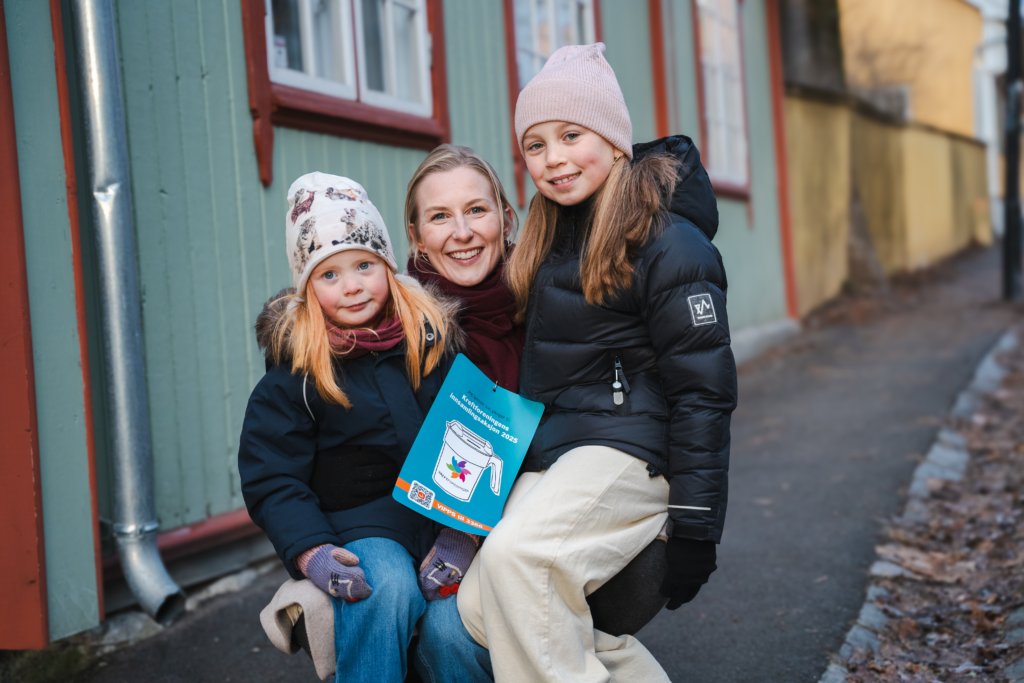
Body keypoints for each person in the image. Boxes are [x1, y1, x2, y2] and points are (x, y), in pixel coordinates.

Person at [456, 43, 738, 682]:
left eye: (570, 135)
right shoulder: (548, 235)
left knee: (519, 563)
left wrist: (697, 524)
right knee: (482, 606)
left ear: (614, 140)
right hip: (562, 452)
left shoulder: (669, 242)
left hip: (632, 451)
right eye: (535, 145)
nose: (553, 159)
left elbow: (703, 390)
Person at [238, 172, 491, 683]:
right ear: (308, 288)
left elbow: (476, 433)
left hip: (438, 517)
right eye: (329, 275)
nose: (352, 285)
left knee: (453, 627)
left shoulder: (431, 341)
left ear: (389, 268)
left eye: (364, 265)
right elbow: (272, 476)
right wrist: (310, 550)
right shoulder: (297, 373)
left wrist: (463, 533)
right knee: (385, 590)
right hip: (362, 525)